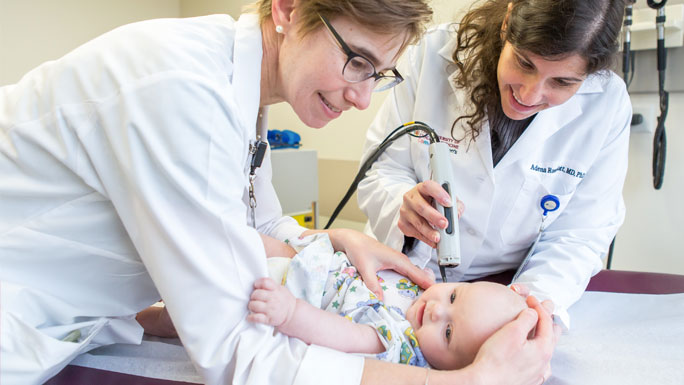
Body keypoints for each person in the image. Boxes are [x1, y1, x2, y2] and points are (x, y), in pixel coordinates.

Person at [0, 0, 557, 384]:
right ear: (288, 9)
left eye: (379, 74)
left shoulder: (241, 89)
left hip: (69, 313)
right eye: (357, 61)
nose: (363, 99)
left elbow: (255, 226)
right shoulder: (182, 93)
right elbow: (237, 355)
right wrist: (472, 380)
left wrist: (333, 239)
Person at [357, 0, 631, 328]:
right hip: (401, 268)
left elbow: (580, 232)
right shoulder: (433, 53)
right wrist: (400, 202)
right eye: (525, 63)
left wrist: (530, 308)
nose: (530, 95)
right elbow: (381, 169)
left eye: (562, 82)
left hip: (504, 290)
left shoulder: (607, 105)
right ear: (508, 21)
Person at [247, 233, 528, 371]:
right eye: (454, 296)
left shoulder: (397, 343)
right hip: (311, 256)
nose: (436, 310)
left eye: (448, 332)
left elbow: (340, 334)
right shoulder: (425, 290)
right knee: (246, 239)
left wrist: (290, 312)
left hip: (295, 287)